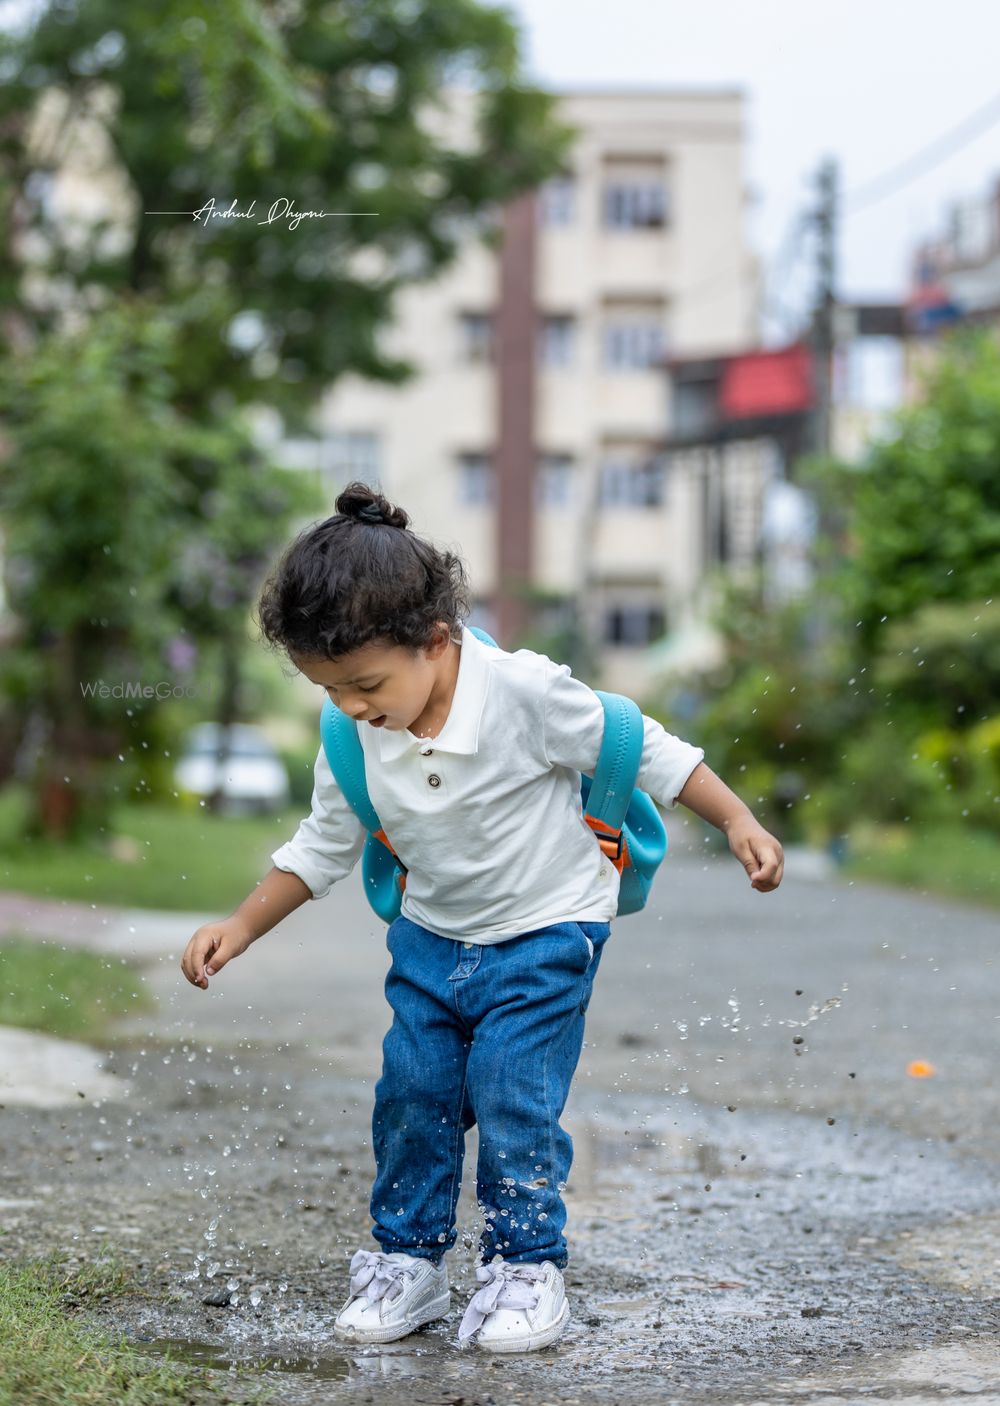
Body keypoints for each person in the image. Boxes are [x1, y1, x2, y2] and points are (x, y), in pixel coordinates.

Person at [180, 482, 784, 1354]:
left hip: (547, 932)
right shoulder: (352, 733)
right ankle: (408, 1264)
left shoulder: (524, 691)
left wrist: (736, 820)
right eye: (330, 688)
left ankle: (525, 1268)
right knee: (411, 1098)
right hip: (430, 941)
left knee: (513, 1100)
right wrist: (237, 928)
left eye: (365, 684)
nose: (351, 706)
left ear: (435, 637)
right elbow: (323, 843)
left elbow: (643, 745)